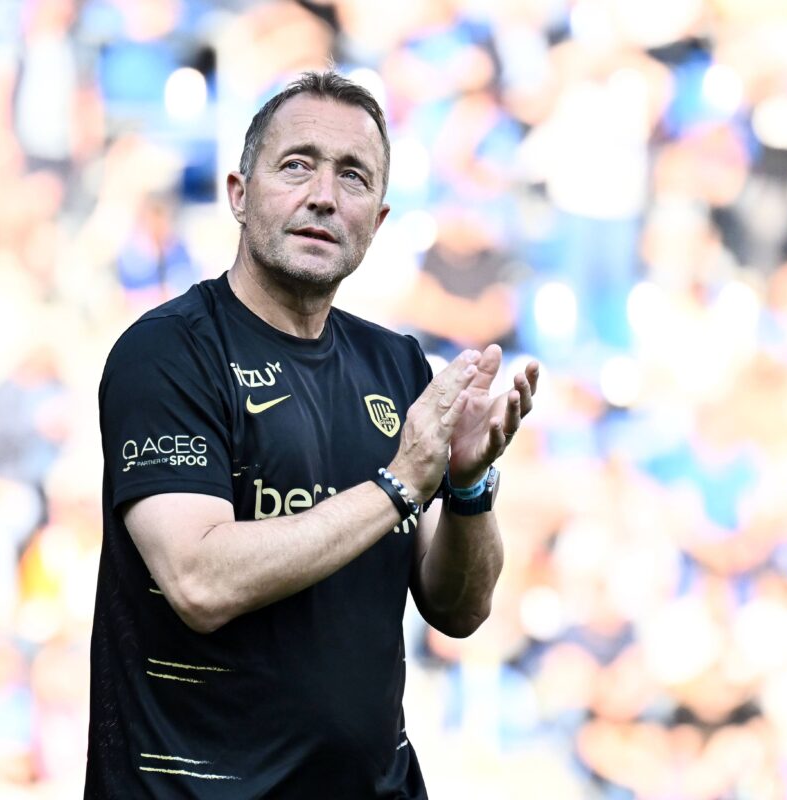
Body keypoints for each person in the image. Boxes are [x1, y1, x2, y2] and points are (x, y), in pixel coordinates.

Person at [86, 70, 540, 798]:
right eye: (297, 165)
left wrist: (466, 488)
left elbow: (459, 610)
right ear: (239, 194)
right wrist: (398, 485)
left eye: (353, 176)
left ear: (378, 221)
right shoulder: (168, 353)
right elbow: (199, 580)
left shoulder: (395, 364)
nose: (324, 195)